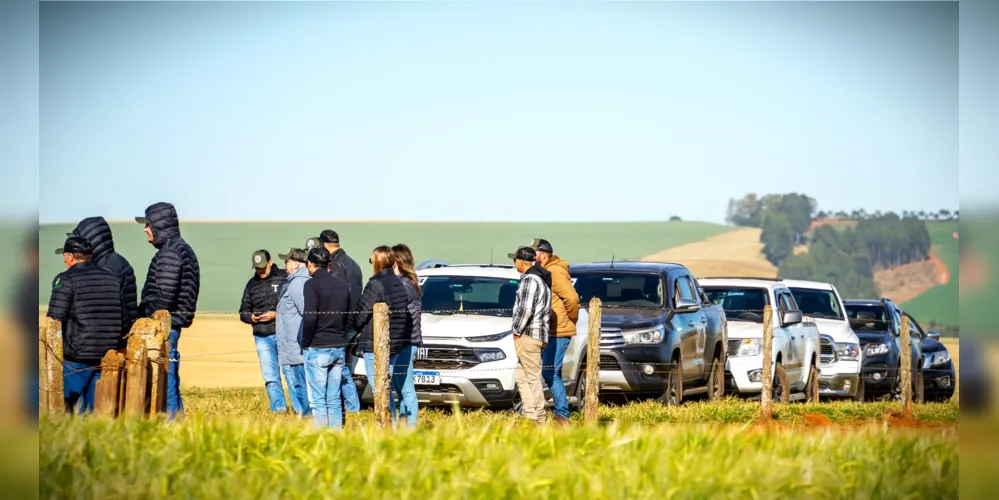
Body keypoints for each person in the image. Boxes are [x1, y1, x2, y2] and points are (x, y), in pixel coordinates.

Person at [46, 236, 127, 414]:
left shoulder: (65, 279)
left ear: (70, 257)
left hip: (77, 355)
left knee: (71, 408)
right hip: (106, 355)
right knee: (97, 408)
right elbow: (122, 315)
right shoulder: (112, 278)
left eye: (65, 256)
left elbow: (54, 319)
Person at [136, 202, 200, 419]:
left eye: (148, 224)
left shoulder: (170, 253)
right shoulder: (178, 248)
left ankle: (171, 424)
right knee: (169, 374)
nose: (145, 229)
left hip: (164, 328)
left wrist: (146, 319)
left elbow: (164, 297)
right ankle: (177, 420)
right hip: (173, 325)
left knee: (164, 377)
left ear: (159, 225)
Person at [352, 246, 412, 425]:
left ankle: (386, 426)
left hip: (375, 343)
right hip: (394, 344)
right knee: (386, 387)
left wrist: (355, 327)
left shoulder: (375, 284)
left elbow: (361, 313)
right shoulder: (399, 283)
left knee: (380, 389)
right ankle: (391, 424)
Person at [309, 230, 363, 414]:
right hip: (354, 320)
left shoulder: (336, 265)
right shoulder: (354, 264)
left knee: (340, 370)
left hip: (341, 323)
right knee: (342, 366)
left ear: (324, 245)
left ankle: (351, 406)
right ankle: (351, 405)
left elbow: (336, 297)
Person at [528, 239, 579, 425]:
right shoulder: (547, 270)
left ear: (542, 254)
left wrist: (570, 319)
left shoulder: (555, 270)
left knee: (550, 373)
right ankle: (561, 413)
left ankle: (562, 415)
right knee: (550, 372)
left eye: (534, 254)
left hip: (558, 330)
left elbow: (571, 298)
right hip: (552, 328)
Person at [300, 247, 353, 429]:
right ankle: (336, 438)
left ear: (310, 264)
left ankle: (321, 440)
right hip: (338, 345)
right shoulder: (342, 285)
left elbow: (309, 318)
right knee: (334, 399)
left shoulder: (311, 285)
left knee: (318, 401)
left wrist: (305, 343)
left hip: (318, 347)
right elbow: (347, 317)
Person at [69, 216, 139, 339]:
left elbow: (112, 308)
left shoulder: (107, 268)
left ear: (90, 240)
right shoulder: (111, 261)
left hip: (112, 338)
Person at [238, 250, 289, 414]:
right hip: (262, 336)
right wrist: (251, 317)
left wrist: (276, 314)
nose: (260, 271)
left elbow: (294, 305)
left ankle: (301, 408)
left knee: (291, 372)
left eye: (263, 267)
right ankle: (279, 409)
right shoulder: (251, 285)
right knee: (270, 376)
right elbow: (243, 311)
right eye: (257, 268)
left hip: (284, 333)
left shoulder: (284, 277)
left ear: (270, 262)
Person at [510, 246, 552, 425]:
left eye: (515, 260)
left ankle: (539, 418)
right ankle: (530, 414)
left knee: (532, 378)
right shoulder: (541, 280)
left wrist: (516, 330)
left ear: (520, 261)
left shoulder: (529, 280)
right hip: (539, 334)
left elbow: (525, 309)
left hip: (528, 335)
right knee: (521, 375)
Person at [275, 248, 313, 416]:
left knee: (301, 383)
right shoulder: (296, 280)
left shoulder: (298, 282)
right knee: (298, 382)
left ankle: (307, 415)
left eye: (287, 261)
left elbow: (306, 312)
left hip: (295, 344)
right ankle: (304, 414)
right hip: (292, 343)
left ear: (296, 263)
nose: (285, 264)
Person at [391, 243, 422, 427]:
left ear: (398, 261)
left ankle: (410, 427)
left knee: (406, 387)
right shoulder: (408, 282)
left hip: (406, 340)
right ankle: (405, 422)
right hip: (406, 340)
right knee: (400, 385)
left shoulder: (404, 284)